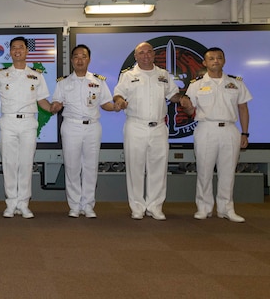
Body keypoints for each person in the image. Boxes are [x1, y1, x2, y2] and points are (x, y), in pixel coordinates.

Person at [0, 36, 54, 219]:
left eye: (21, 47)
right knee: (9, 163)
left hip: (29, 122)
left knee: (26, 163)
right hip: (9, 122)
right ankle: (11, 203)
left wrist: (53, 108)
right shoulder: (1, 74)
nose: (17, 50)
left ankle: (24, 203)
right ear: (10, 52)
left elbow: (42, 100)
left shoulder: (37, 75)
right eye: (14, 48)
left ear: (27, 51)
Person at [180, 47, 252, 223]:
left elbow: (243, 108)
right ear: (204, 63)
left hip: (230, 129)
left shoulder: (236, 83)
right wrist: (186, 105)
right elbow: (190, 111)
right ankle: (203, 208)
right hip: (206, 129)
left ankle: (226, 208)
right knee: (204, 171)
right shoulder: (196, 84)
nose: (215, 61)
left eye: (219, 58)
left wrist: (245, 133)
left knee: (228, 172)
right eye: (211, 58)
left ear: (224, 61)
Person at [113, 41, 181, 220]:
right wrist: (120, 101)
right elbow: (118, 93)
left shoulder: (163, 74)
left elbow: (173, 94)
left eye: (149, 52)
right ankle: (137, 207)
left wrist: (183, 99)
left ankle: (155, 206)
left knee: (158, 168)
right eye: (141, 53)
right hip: (136, 126)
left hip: (159, 127)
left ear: (154, 54)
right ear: (136, 56)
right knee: (135, 168)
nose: (145, 55)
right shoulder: (128, 75)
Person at [51, 44, 117, 219]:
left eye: (84, 56)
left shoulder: (98, 81)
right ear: (72, 60)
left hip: (92, 127)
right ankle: (74, 205)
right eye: (76, 57)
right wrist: (55, 106)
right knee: (72, 167)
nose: (80, 60)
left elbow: (106, 104)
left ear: (89, 59)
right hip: (71, 126)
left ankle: (88, 205)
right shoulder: (63, 82)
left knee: (90, 166)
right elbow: (56, 103)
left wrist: (116, 107)